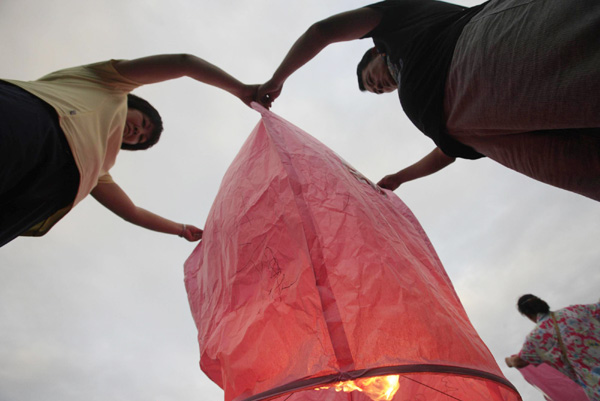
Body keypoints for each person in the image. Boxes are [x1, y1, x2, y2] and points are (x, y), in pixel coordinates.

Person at [256, 0, 600, 201]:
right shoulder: (420, 97)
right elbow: (446, 154)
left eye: (372, 79)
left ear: (376, 51)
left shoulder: (395, 23)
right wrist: (400, 177)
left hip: (476, 53)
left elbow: (322, 31)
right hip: (480, 134)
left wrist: (277, 79)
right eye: (378, 92)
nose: (379, 88)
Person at [1, 54, 257, 247]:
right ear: (135, 105)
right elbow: (184, 63)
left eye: (141, 139)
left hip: (34, 197)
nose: (137, 133)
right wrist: (241, 90)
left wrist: (179, 229)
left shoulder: (99, 169)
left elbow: (131, 212)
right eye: (143, 123)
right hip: (31, 122)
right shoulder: (107, 83)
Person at [505, 294, 600, 401]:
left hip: (596, 388)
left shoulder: (536, 338)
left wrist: (509, 361)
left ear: (528, 315)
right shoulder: (576, 311)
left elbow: (519, 362)